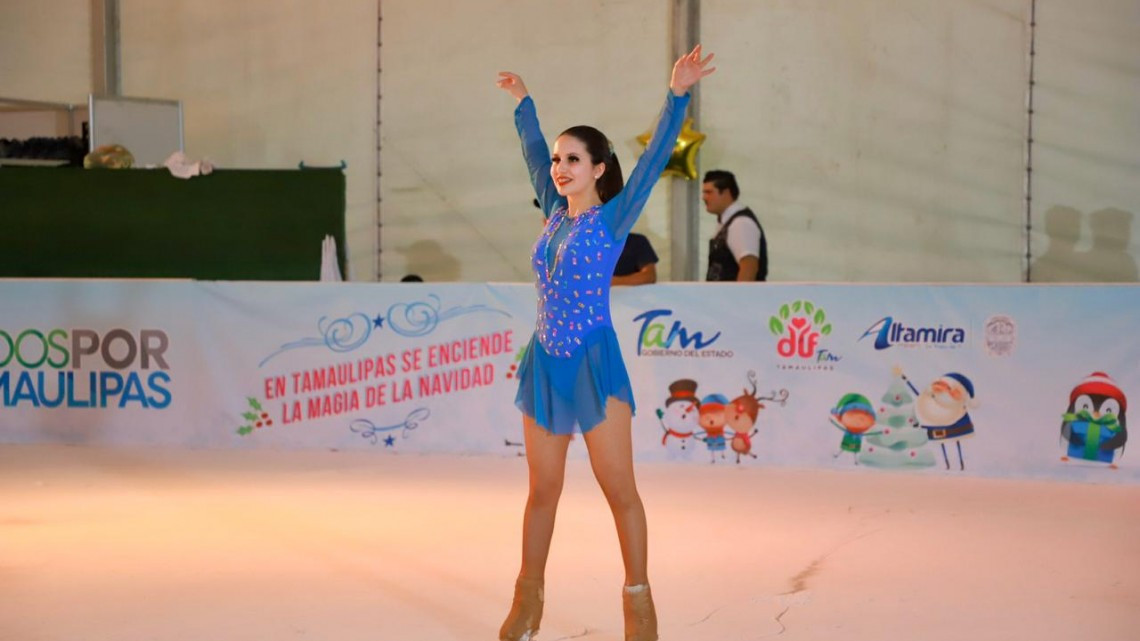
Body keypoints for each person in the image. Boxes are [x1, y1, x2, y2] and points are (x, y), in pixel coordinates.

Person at [496, 44, 715, 641]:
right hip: (545, 362)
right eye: (560, 159)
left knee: (620, 490)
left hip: (594, 361)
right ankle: (528, 599)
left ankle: (639, 604)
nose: (561, 167)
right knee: (542, 491)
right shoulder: (552, 210)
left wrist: (676, 95)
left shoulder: (613, 219)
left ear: (598, 168)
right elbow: (533, 153)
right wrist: (524, 104)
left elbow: (652, 161)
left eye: (574, 159)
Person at [701, 170, 768, 281]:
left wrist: (739, 297)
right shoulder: (727, 222)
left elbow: (749, 267)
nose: (704, 197)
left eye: (709, 192)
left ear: (726, 193)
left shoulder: (741, 223)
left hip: (735, 298)